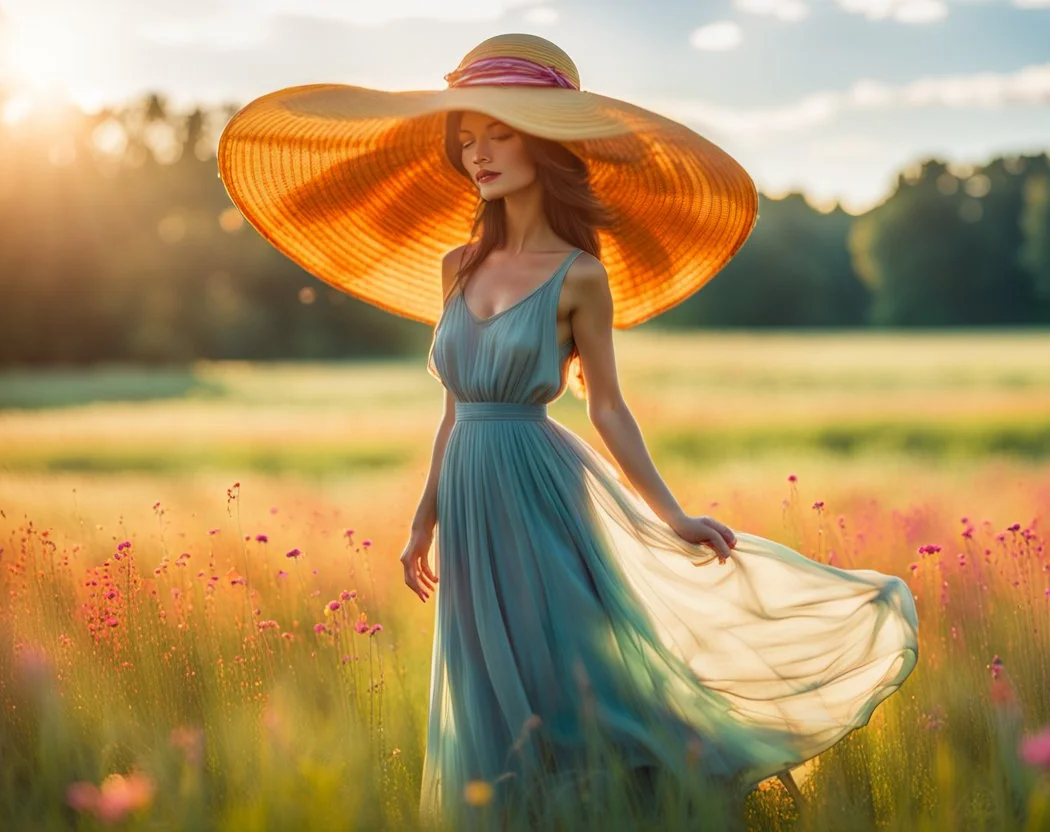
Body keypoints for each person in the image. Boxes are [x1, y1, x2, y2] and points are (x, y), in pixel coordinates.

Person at [218, 32, 919, 831]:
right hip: (471, 494)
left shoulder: (579, 274)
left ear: (545, 142)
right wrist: (425, 515)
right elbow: (453, 406)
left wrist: (670, 514)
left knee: (571, 676)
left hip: (541, 488)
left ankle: (657, 798)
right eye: (468, 139)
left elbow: (607, 404)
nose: (479, 154)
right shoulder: (457, 266)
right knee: (486, 682)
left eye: (501, 132)